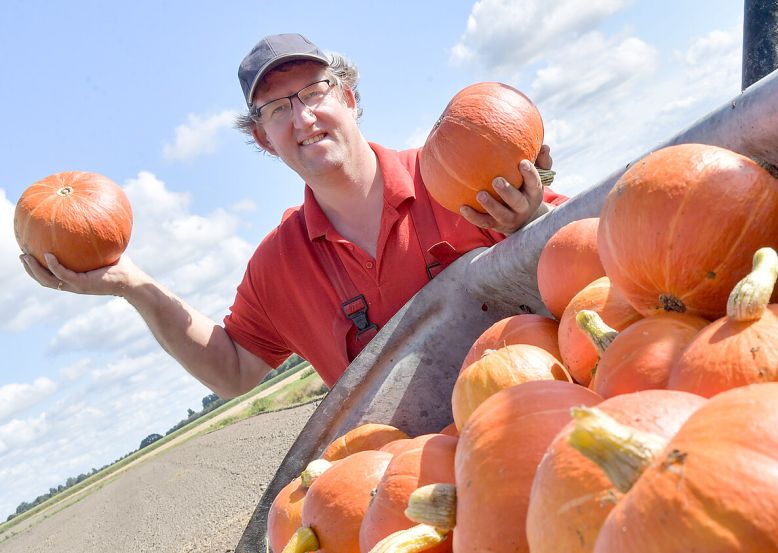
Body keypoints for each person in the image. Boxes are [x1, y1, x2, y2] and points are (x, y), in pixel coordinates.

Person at [19, 33, 564, 398]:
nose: (302, 117)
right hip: (414, 476)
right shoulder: (279, 267)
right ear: (262, 138)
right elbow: (233, 369)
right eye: (277, 108)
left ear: (349, 98)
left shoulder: (456, 173)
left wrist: (532, 219)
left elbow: (585, 250)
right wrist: (133, 286)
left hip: (549, 395)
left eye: (314, 91)